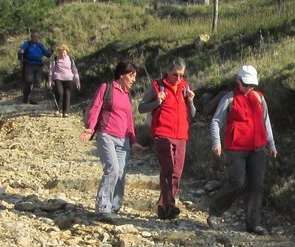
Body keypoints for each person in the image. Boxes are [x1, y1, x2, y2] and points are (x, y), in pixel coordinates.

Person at [207, 65, 277, 235]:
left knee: (256, 186)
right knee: (236, 182)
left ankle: (253, 223)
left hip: (258, 148)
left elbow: (265, 122)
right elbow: (216, 121)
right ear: (238, 80)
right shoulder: (229, 99)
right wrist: (217, 142)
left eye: (252, 85)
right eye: (246, 84)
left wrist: (271, 144)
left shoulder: (259, 98)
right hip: (236, 149)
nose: (249, 88)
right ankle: (215, 212)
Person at [80, 61, 145, 220]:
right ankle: (103, 207)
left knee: (121, 174)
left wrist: (134, 140)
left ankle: (114, 208)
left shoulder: (127, 94)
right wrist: (90, 128)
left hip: (124, 140)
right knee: (113, 170)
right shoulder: (106, 88)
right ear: (122, 74)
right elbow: (95, 108)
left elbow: (130, 119)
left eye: (135, 76)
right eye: (131, 75)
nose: (133, 79)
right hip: (106, 135)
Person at [139, 57, 196, 220]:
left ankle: (162, 206)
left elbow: (191, 114)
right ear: (167, 72)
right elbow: (141, 108)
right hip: (163, 133)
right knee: (168, 169)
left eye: (181, 75)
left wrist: (191, 101)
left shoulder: (185, 87)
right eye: (175, 75)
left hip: (181, 135)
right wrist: (157, 101)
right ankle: (170, 205)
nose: (178, 78)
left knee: (177, 171)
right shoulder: (157, 86)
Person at [17, 30, 51, 104]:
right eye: (33, 36)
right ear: (31, 37)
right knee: (28, 81)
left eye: (36, 36)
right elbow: (21, 50)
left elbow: (47, 54)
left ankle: (34, 98)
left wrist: (51, 50)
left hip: (38, 65)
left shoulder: (40, 45)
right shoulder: (27, 44)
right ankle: (25, 97)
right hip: (29, 64)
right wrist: (21, 52)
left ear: (38, 37)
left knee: (38, 82)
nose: (35, 38)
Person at [48, 44, 81, 117]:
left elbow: (75, 71)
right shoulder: (55, 59)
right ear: (59, 52)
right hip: (58, 78)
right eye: (61, 52)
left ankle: (65, 111)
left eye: (64, 52)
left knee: (67, 95)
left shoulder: (70, 59)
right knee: (60, 93)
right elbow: (51, 70)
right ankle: (57, 109)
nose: (62, 54)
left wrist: (77, 81)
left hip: (69, 78)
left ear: (67, 51)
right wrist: (50, 81)